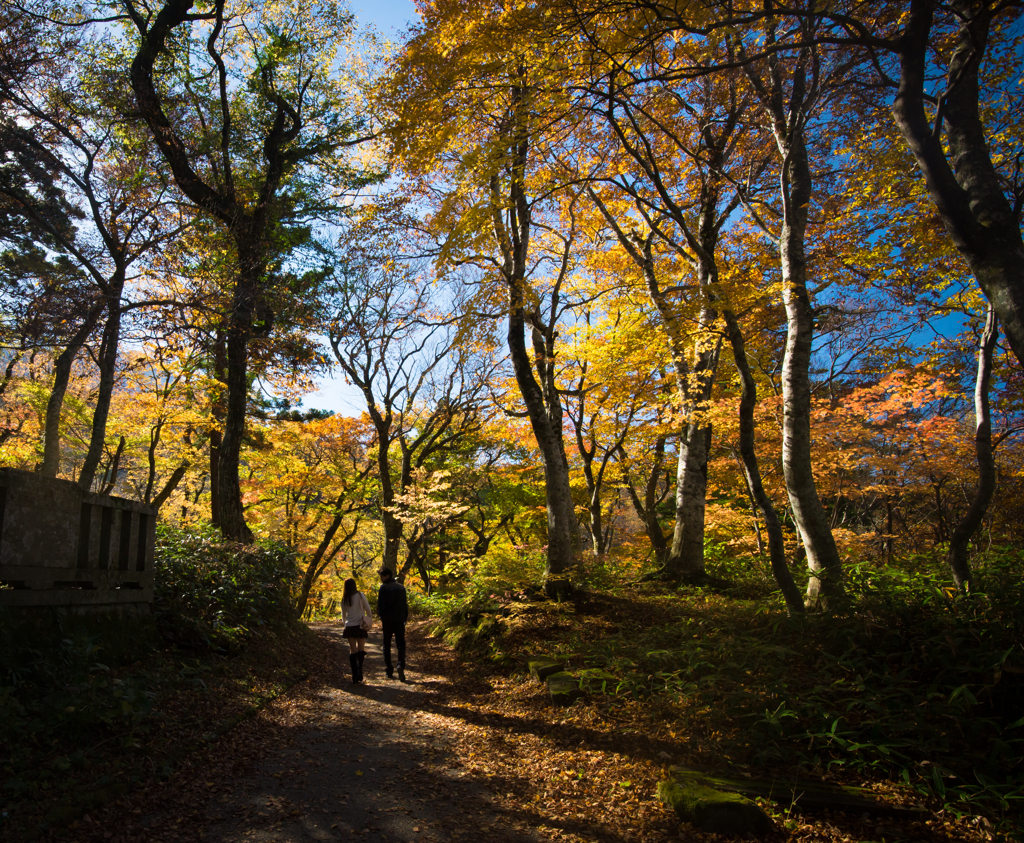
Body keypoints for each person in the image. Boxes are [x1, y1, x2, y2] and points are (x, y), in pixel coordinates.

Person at [377, 567, 408, 681]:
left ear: (387, 576)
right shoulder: (401, 588)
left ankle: (389, 669)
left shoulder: (384, 588)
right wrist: (405, 617)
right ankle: (400, 665)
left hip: (388, 620)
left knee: (387, 645)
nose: (381, 579)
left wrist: (382, 616)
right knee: (401, 645)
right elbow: (405, 605)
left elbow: (381, 605)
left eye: (382, 576)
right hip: (399, 619)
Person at [341, 578, 372, 684]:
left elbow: (343, 615)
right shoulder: (360, 595)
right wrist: (369, 618)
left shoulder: (345, 598)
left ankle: (354, 674)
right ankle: (360, 671)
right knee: (361, 649)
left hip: (349, 626)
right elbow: (368, 609)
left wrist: (345, 624)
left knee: (352, 650)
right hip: (360, 625)